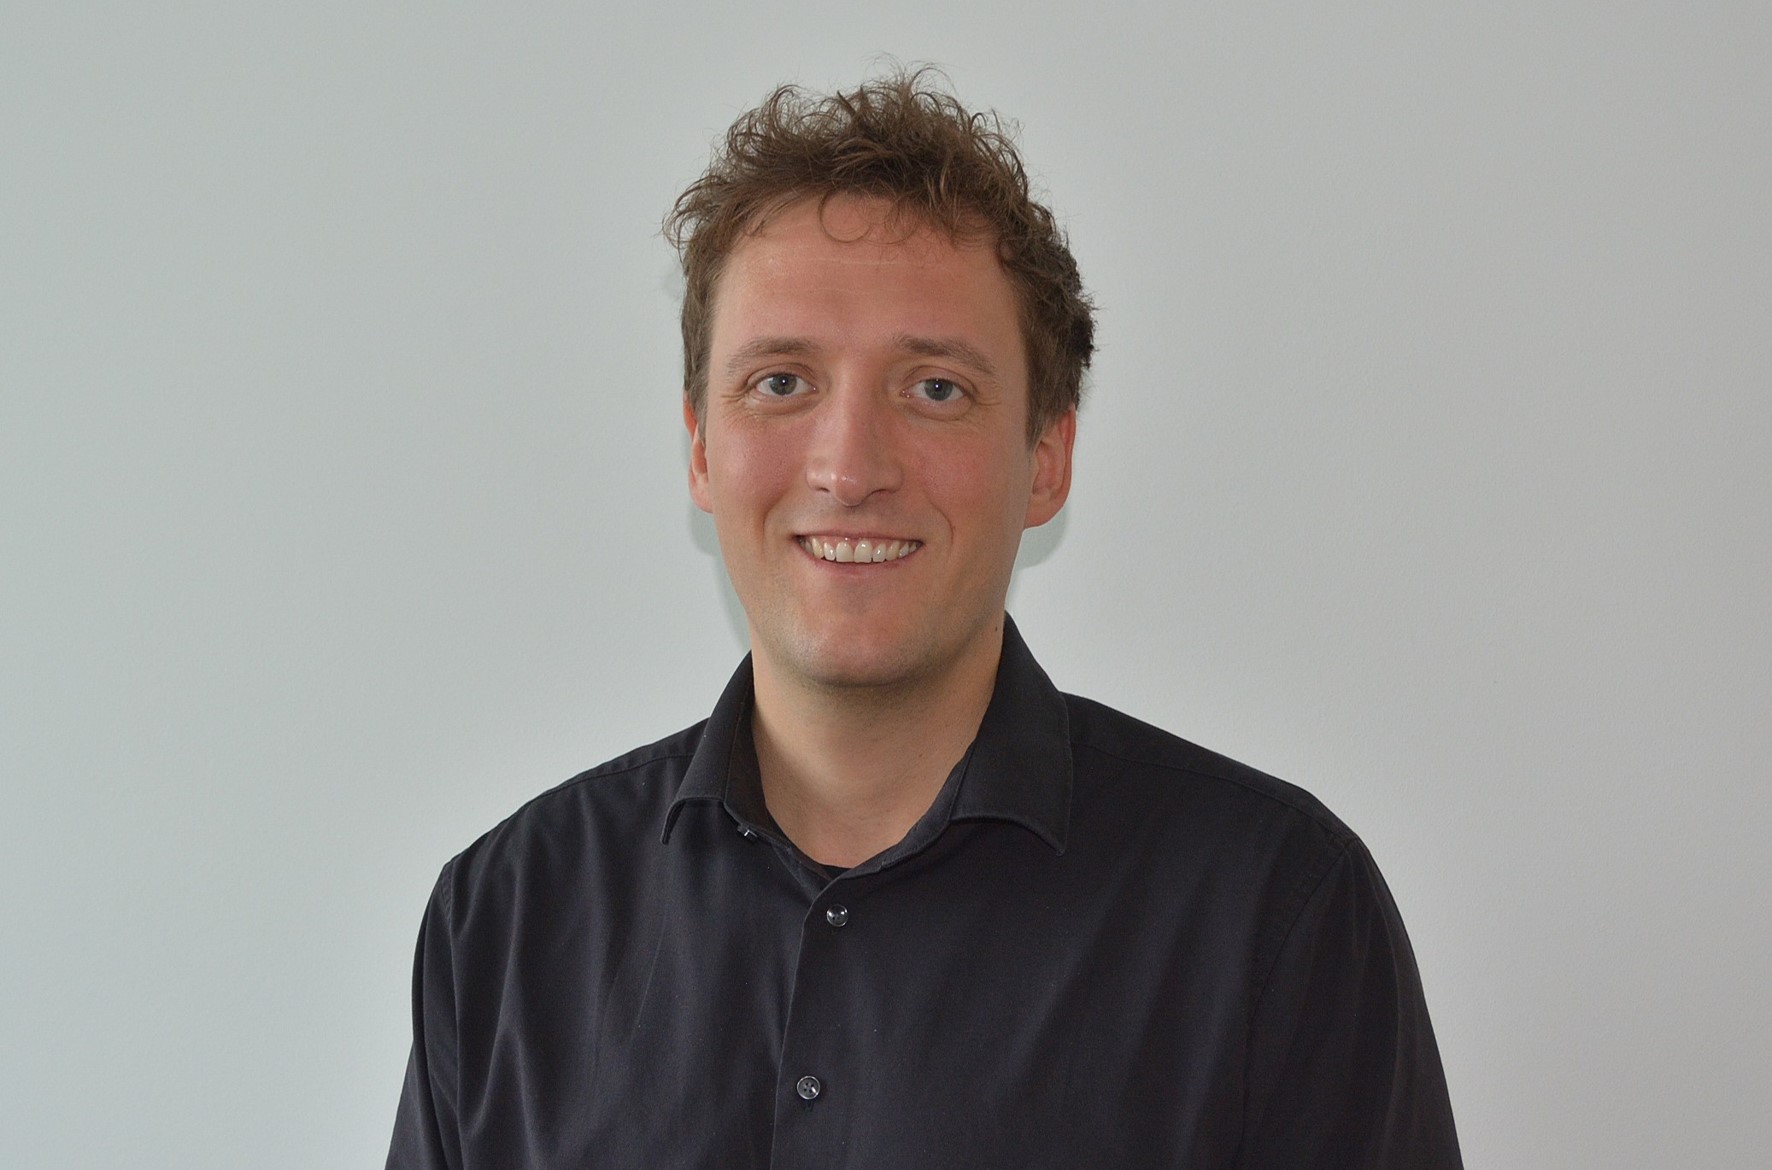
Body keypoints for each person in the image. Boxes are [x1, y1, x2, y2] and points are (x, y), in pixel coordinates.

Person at [386, 72, 1462, 1169]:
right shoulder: (506, 919)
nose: (850, 468)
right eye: (780, 382)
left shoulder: (1275, 914)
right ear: (701, 448)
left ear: (1046, 458)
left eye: (935, 389)